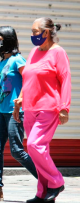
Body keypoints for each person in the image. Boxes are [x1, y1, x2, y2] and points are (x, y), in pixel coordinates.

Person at [0, 26, 37, 201]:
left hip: (16, 112)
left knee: (17, 151)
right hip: (2, 114)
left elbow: (30, 81)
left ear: (9, 40)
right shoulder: (1, 63)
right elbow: (0, 91)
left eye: (0, 39)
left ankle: (47, 180)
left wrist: (21, 101)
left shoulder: (19, 60)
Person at [15, 18, 71, 203]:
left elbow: (65, 79)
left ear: (46, 32)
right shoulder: (33, 52)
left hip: (48, 107)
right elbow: (27, 78)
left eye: (35, 31)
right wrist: (20, 101)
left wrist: (64, 108)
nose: (32, 35)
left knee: (34, 145)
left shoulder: (58, 52)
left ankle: (56, 181)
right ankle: (43, 193)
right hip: (30, 108)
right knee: (38, 151)